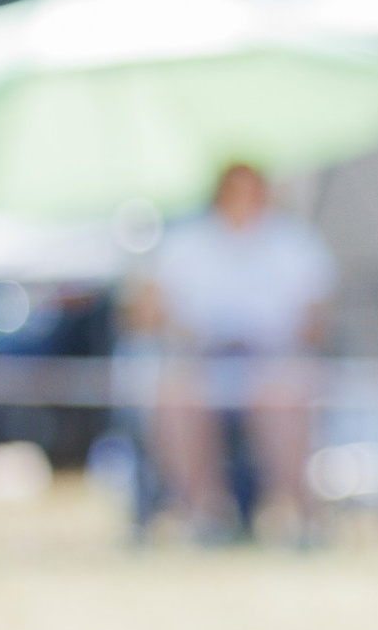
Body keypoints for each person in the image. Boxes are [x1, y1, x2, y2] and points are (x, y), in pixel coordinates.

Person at [134, 159, 335, 537]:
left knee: (281, 397)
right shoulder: (185, 244)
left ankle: (303, 516)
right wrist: (183, 330)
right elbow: (146, 313)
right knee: (175, 397)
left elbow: (315, 320)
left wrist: (269, 338)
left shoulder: (295, 243)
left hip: (272, 362)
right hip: (201, 362)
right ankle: (203, 515)